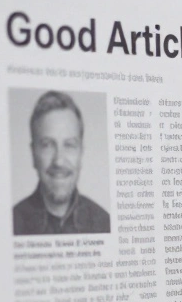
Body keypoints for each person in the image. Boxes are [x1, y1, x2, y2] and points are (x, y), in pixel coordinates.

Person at [12, 90, 110, 236]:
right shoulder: (12, 223)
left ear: (81, 152)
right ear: (33, 153)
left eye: (69, 145)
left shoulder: (104, 223)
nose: (58, 160)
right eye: (47, 145)